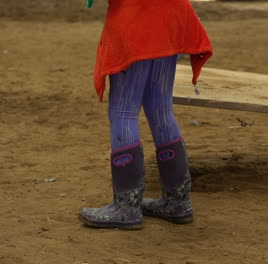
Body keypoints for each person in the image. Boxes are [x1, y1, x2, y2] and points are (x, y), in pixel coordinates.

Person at [78, 0, 213, 229]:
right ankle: (177, 200)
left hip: (137, 17)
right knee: (160, 107)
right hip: (172, 15)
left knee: (123, 110)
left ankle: (126, 207)